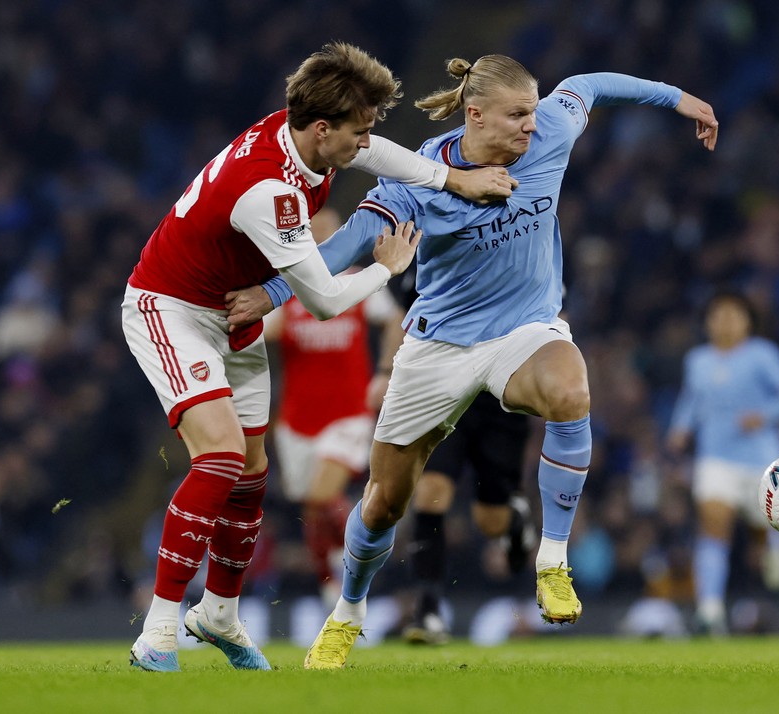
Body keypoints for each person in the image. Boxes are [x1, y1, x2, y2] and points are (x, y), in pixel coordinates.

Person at [228, 53, 718, 669]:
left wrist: (680, 99)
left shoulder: (551, 132)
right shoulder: (419, 177)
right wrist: (268, 296)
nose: (530, 128)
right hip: (438, 345)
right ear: (475, 114)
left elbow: (591, 85)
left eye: (534, 114)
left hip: (525, 330)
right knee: (384, 500)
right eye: (517, 116)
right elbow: (345, 247)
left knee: (570, 389)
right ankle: (347, 612)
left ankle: (553, 562)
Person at [120, 42, 515, 673]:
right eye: (358, 130)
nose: (366, 143)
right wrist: (387, 267)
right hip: (173, 310)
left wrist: (452, 177)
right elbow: (326, 301)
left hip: (236, 314)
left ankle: (219, 614)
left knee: (251, 478)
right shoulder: (268, 190)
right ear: (323, 128)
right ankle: (159, 631)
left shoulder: (302, 136)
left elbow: (378, 152)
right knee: (220, 457)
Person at [378, 265, 536, 645]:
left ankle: (514, 520)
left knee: (491, 521)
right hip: (445, 390)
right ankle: (428, 608)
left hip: (500, 397)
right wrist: (384, 371)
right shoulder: (432, 246)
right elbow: (402, 313)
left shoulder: (521, 242)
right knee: (431, 490)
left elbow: (550, 318)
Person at [263, 207, 403, 612]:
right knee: (311, 506)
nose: (322, 239)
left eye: (329, 231)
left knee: (325, 494)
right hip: (297, 419)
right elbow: (261, 330)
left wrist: (385, 370)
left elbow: (395, 317)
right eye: (314, 232)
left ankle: (372, 551)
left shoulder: (358, 281)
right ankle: (329, 584)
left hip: (349, 412)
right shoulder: (287, 287)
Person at [665, 289, 779, 635]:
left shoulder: (763, 355)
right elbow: (691, 398)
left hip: (761, 460)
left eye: (734, 314)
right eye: (719, 314)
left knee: (762, 531)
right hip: (715, 459)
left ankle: (775, 545)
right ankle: (710, 610)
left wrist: (765, 414)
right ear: (708, 322)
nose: (726, 321)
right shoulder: (697, 360)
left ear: (748, 322)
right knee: (714, 523)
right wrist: (680, 428)